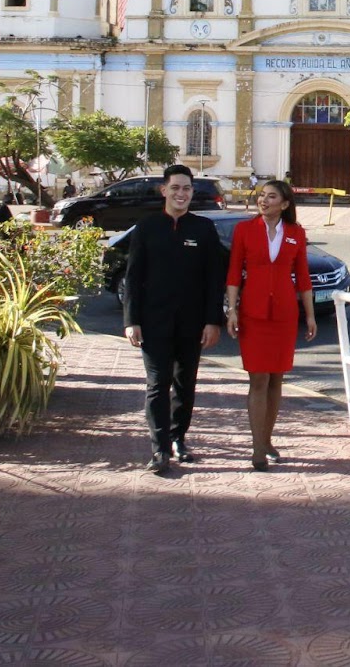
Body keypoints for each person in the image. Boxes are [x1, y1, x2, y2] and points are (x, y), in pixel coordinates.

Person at [123, 164, 226, 475]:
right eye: (176, 188)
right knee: (157, 384)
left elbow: (214, 279)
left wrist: (213, 321)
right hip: (153, 322)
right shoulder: (147, 227)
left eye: (187, 188)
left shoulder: (204, 229)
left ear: (192, 193)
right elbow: (133, 276)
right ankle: (159, 449)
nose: (181, 194)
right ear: (164, 190)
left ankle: (178, 437)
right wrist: (131, 320)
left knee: (185, 383)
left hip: (192, 323)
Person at [226, 179, 317, 470]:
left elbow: (303, 276)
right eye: (262, 196)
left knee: (277, 379)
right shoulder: (244, 230)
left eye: (271, 197)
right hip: (252, 313)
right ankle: (257, 448)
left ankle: (267, 440)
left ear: (285, 204)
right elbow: (233, 273)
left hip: (284, 315)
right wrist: (232, 310)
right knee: (258, 379)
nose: (264, 201)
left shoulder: (296, 233)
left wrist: (310, 315)